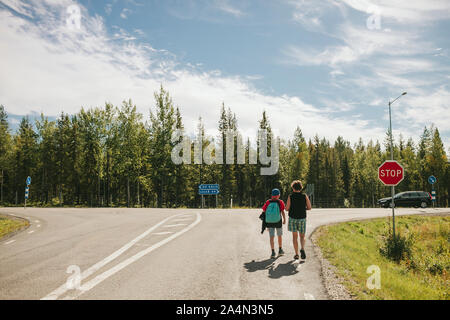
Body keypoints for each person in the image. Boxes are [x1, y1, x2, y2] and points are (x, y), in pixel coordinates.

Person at [285, 180, 312, 260]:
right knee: (302, 236)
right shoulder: (304, 196)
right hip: (302, 218)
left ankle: (296, 254)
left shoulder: (290, 196)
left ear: (293, 188)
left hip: (293, 218)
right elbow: (309, 207)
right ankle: (302, 249)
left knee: (294, 237)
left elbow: (287, 208)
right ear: (301, 188)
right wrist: (304, 208)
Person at [262, 188, 286, 259]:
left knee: (271, 237)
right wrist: (284, 219)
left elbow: (264, 211)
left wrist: (265, 223)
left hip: (270, 222)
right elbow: (282, 212)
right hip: (278, 221)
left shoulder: (268, 202)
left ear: (272, 195)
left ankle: (272, 252)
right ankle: (280, 250)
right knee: (279, 235)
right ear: (278, 195)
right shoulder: (280, 202)